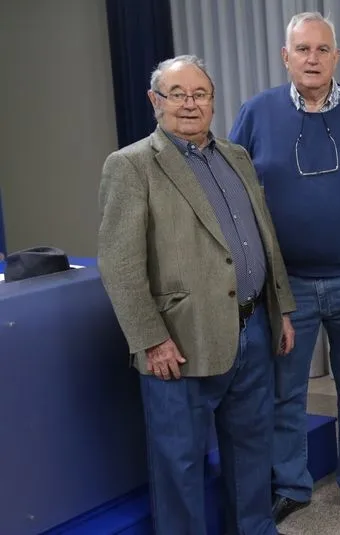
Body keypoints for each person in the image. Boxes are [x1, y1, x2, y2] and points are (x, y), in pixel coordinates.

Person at [97, 54, 296, 535]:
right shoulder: (131, 166)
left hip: (251, 329)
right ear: (155, 101)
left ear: (212, 100)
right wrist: (149, 339)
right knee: (179, 466)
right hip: (178, 343)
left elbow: (263, 236)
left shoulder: (236, 157)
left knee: (251, 452)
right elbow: (119, 263)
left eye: (200, 94)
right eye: (177, 94)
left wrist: (280, 308)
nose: (190, 104)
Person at [229, 11, 340, 525]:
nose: (312, 58)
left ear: (336, 57)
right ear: (286, 56)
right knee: (287, 390)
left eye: (322, 49)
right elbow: (237, 195)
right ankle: (292, 485)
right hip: (287, 289)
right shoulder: (256, 113)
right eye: (302, 49)